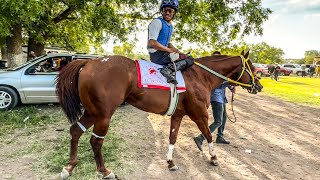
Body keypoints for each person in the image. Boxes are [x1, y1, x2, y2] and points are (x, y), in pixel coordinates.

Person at [147, 0, 194, 84]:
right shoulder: (157, 22)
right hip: (157, 55)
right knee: (190, 59)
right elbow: (152, 43)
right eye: (165, 10)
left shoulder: (170, 26)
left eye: (170, 11)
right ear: (162, 11)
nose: (168, 13)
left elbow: (168, 43)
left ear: (174, 13)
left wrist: (178, 51)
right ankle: (167, 70)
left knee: (187, 57)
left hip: (163, 53)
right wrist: (170, 51)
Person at [193, 81, 235, 151]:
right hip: (216, 98)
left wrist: (231, 86)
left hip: (221, 98)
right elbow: (217, 83)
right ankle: (200, 138)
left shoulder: (223, 73)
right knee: (218, 122)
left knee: (224, 118)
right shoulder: (217, 72)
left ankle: (220, 137)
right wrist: (230, 84)